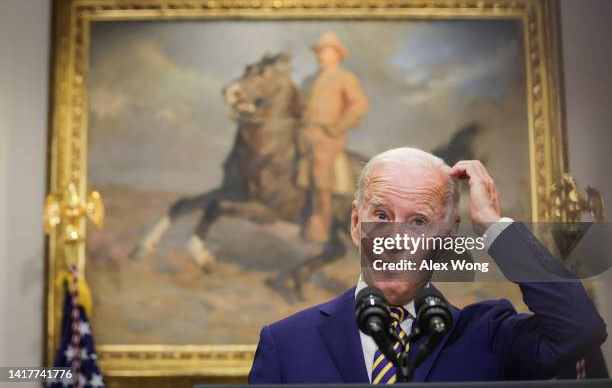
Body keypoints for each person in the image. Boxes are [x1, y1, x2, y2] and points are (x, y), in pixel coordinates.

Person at [250, 147, 607, 383]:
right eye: (380, 215)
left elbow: (579, 329)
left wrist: (493, 227)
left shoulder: (487, 336)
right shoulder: (285, 344)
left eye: (419, 221)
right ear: (356, 224)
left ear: (449, 235)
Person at [297, 32, 369, 243]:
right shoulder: (308, 81)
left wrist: (338, 126)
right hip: (303, 134)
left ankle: (320, 225)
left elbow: (359, 105)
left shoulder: (345, 78)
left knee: (320, 171)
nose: (321, 55)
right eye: (319, 51)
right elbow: (299, 107)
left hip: (328, 137)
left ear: (337, 54)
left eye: (326, 51)